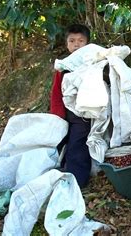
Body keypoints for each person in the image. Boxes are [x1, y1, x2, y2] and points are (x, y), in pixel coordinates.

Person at [50, 23, 92, 188]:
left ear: (87, 44)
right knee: (63, 141)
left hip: (83, 114)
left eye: (81, 41)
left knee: (77, 145)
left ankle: (76, 181)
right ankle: (63, 169)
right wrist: (57, 117)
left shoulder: (92, 63)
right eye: (72, 41)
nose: (76, 44)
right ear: (67, 44)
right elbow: (56, 93)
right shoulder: (63, 66)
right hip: (65, 113)